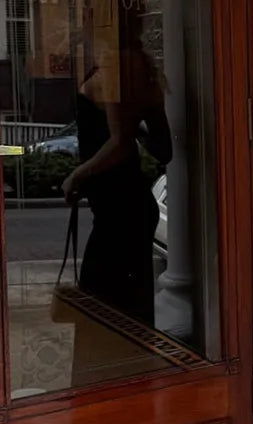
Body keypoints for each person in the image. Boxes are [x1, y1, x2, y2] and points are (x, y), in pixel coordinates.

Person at [62, 5, 172, 326]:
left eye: (88, 14)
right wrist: (131, 125)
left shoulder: (113, 63)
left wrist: (75, 176)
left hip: (118, 213)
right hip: (132, 206)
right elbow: (163, 149)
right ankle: (140, 374)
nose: (81, 21)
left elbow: (119, 143)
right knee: (129, 309)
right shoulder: (142, 65)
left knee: (100, 310)